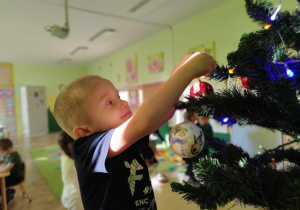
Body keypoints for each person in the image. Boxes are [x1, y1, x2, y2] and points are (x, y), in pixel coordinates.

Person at [53, 52, 216, 210]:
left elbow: (163, 111)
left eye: (118, 96)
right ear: (84, 131)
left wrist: (183, 67)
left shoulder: (127, 139)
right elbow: (143, 122)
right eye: (110, 102)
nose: (123, 102)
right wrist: (187, 71)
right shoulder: (87, 148)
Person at [58, 131, 84, 210]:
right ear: (70, 146)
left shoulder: (65, 155)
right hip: (76, 198)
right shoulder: (73, 162)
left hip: (69, 194)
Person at [0, 138, 24, 204]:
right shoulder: (8, 154)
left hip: (17, 177)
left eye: (1, 152)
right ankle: (7, 194)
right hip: (11, 175)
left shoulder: (15, 156)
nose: (1, 153)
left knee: (1, 184)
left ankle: (6, 199)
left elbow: (6, 169)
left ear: (9, 149)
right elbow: (5, 160)